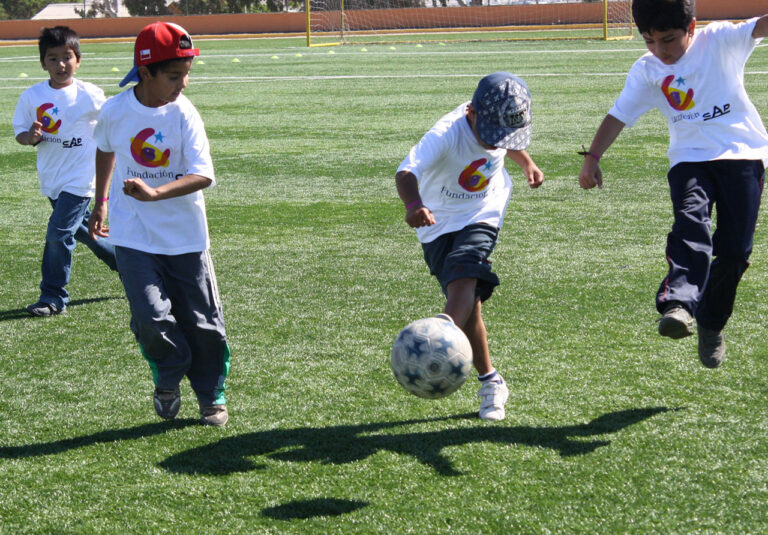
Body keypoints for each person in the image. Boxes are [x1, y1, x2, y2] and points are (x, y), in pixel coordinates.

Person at [578, 0, 768, 368]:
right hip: (690, 159)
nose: (659, 51)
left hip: (742, 154)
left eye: (668, 40)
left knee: (734, 253)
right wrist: (593, 157)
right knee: (690, 221)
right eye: (649, 41)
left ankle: (711, 324)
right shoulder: (648, 70)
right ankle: (679, 304)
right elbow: (619, 114)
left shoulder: (720, 40)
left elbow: (761, 25)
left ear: (691, 27)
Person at [88, 22, 230, 427]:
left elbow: (204, 175)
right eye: (174, 76)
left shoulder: (185, 114)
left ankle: (210, 394)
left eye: (186, 75)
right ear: (145, 72)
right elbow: (105, 150)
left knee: (202, 322)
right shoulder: (115, 110)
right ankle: (168, 375)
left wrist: (155, 193)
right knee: (150, 318)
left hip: (185, 237)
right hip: (133, 235)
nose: (183, 84)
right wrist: (101, 201)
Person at [396, 72, 544, 421]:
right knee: (468, 302)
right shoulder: (446, 133)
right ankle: (491, 380)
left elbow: (509, 138)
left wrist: (526, 162)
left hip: (483, 211)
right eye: (491, 135)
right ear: (472, 113)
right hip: (435, 222)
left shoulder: (498, 129)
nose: (497, 144)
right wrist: (414, 205)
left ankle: (440, 330)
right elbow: (406, 172)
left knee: (464, 275)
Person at [13, 26, 118, 317]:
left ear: (78, 60)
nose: (61, 64)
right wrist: (31, 136)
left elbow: (113, 120)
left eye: (67, 57)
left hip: (82, 180)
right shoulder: (32, 96)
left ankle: (53, 296)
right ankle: (132, 266)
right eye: (53, 58)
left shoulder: (90, 94)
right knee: (87, 233)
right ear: (42, 63)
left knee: (58, 234)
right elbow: (20, 134)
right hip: (53, 180)